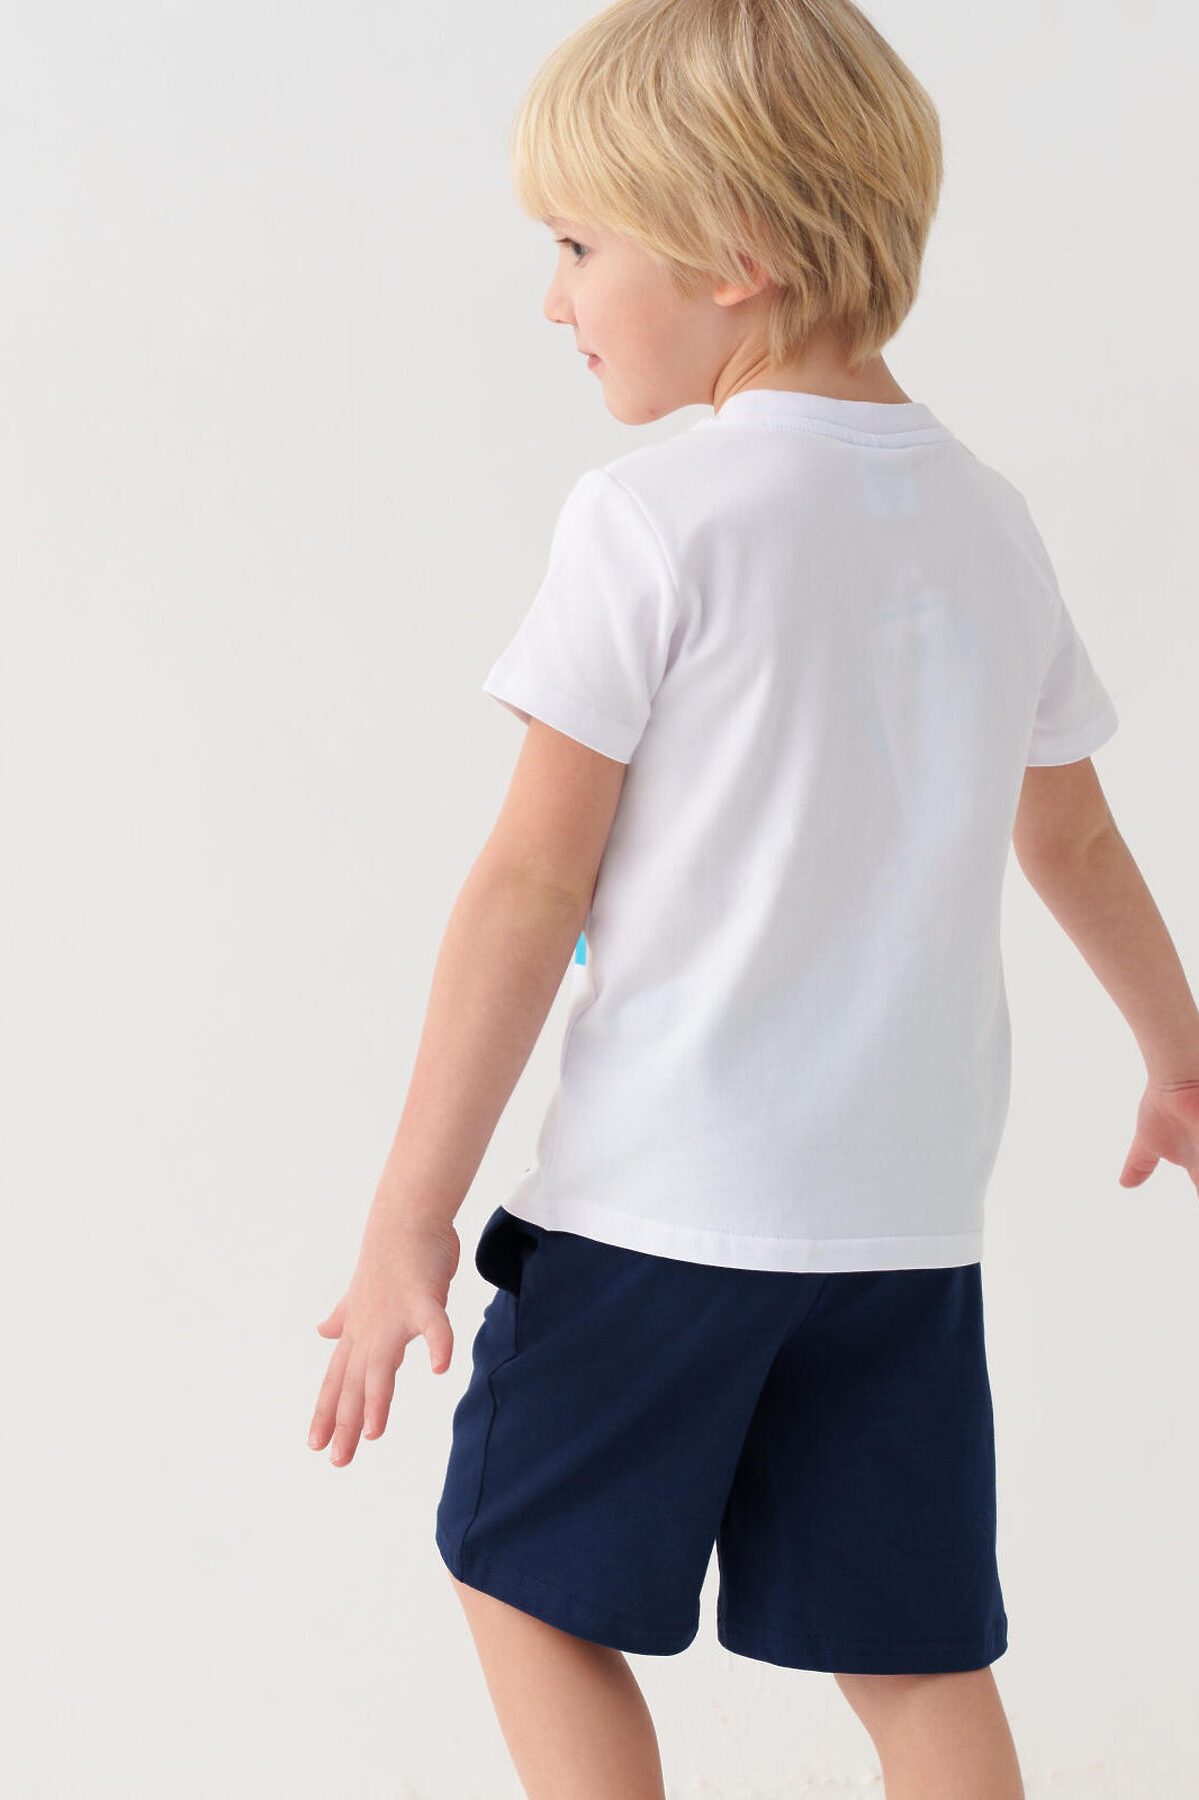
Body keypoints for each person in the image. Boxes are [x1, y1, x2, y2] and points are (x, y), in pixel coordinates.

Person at [307, 1, 1199, 1794]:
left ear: (734, 252)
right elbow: (1080, 842)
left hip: (661, 1210)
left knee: (517, 1576)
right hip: (901, 1233)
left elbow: (528, 885)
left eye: (578, 246)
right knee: (916, 1656)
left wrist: (412, 1212)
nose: (553, 298)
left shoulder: (656, 518)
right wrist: (1178, 1055)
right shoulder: (989, 520)